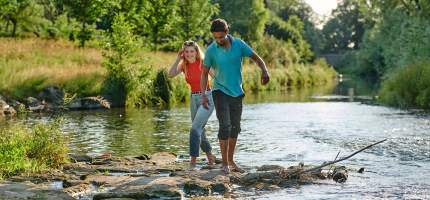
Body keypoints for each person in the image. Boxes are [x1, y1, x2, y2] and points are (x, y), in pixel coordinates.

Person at [200, 19, 270, 174]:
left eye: (221, 37)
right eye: (215, 37)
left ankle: (231, 160)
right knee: (224, 125)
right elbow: (204, 73)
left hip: (237, 92)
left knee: (235, 127)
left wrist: (265, 71)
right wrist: (203, 94)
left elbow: (257, 58)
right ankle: (224, 163)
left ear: (227, 32)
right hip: (219, 90)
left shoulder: (239, 45)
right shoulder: (211, 50)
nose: (218, 40)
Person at [168, 40, 216, 170]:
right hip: (193, 98)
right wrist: (178, 58)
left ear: (196, 51)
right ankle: (210, 155)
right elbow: (170, 74)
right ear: (183, 53)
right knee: (200, 129)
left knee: (195, 129)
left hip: (207, 97)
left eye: (192, 51)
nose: (189, 54)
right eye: (186, 51)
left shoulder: (203, 63)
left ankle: (193, 162)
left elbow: (217, 77)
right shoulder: (184, 65)